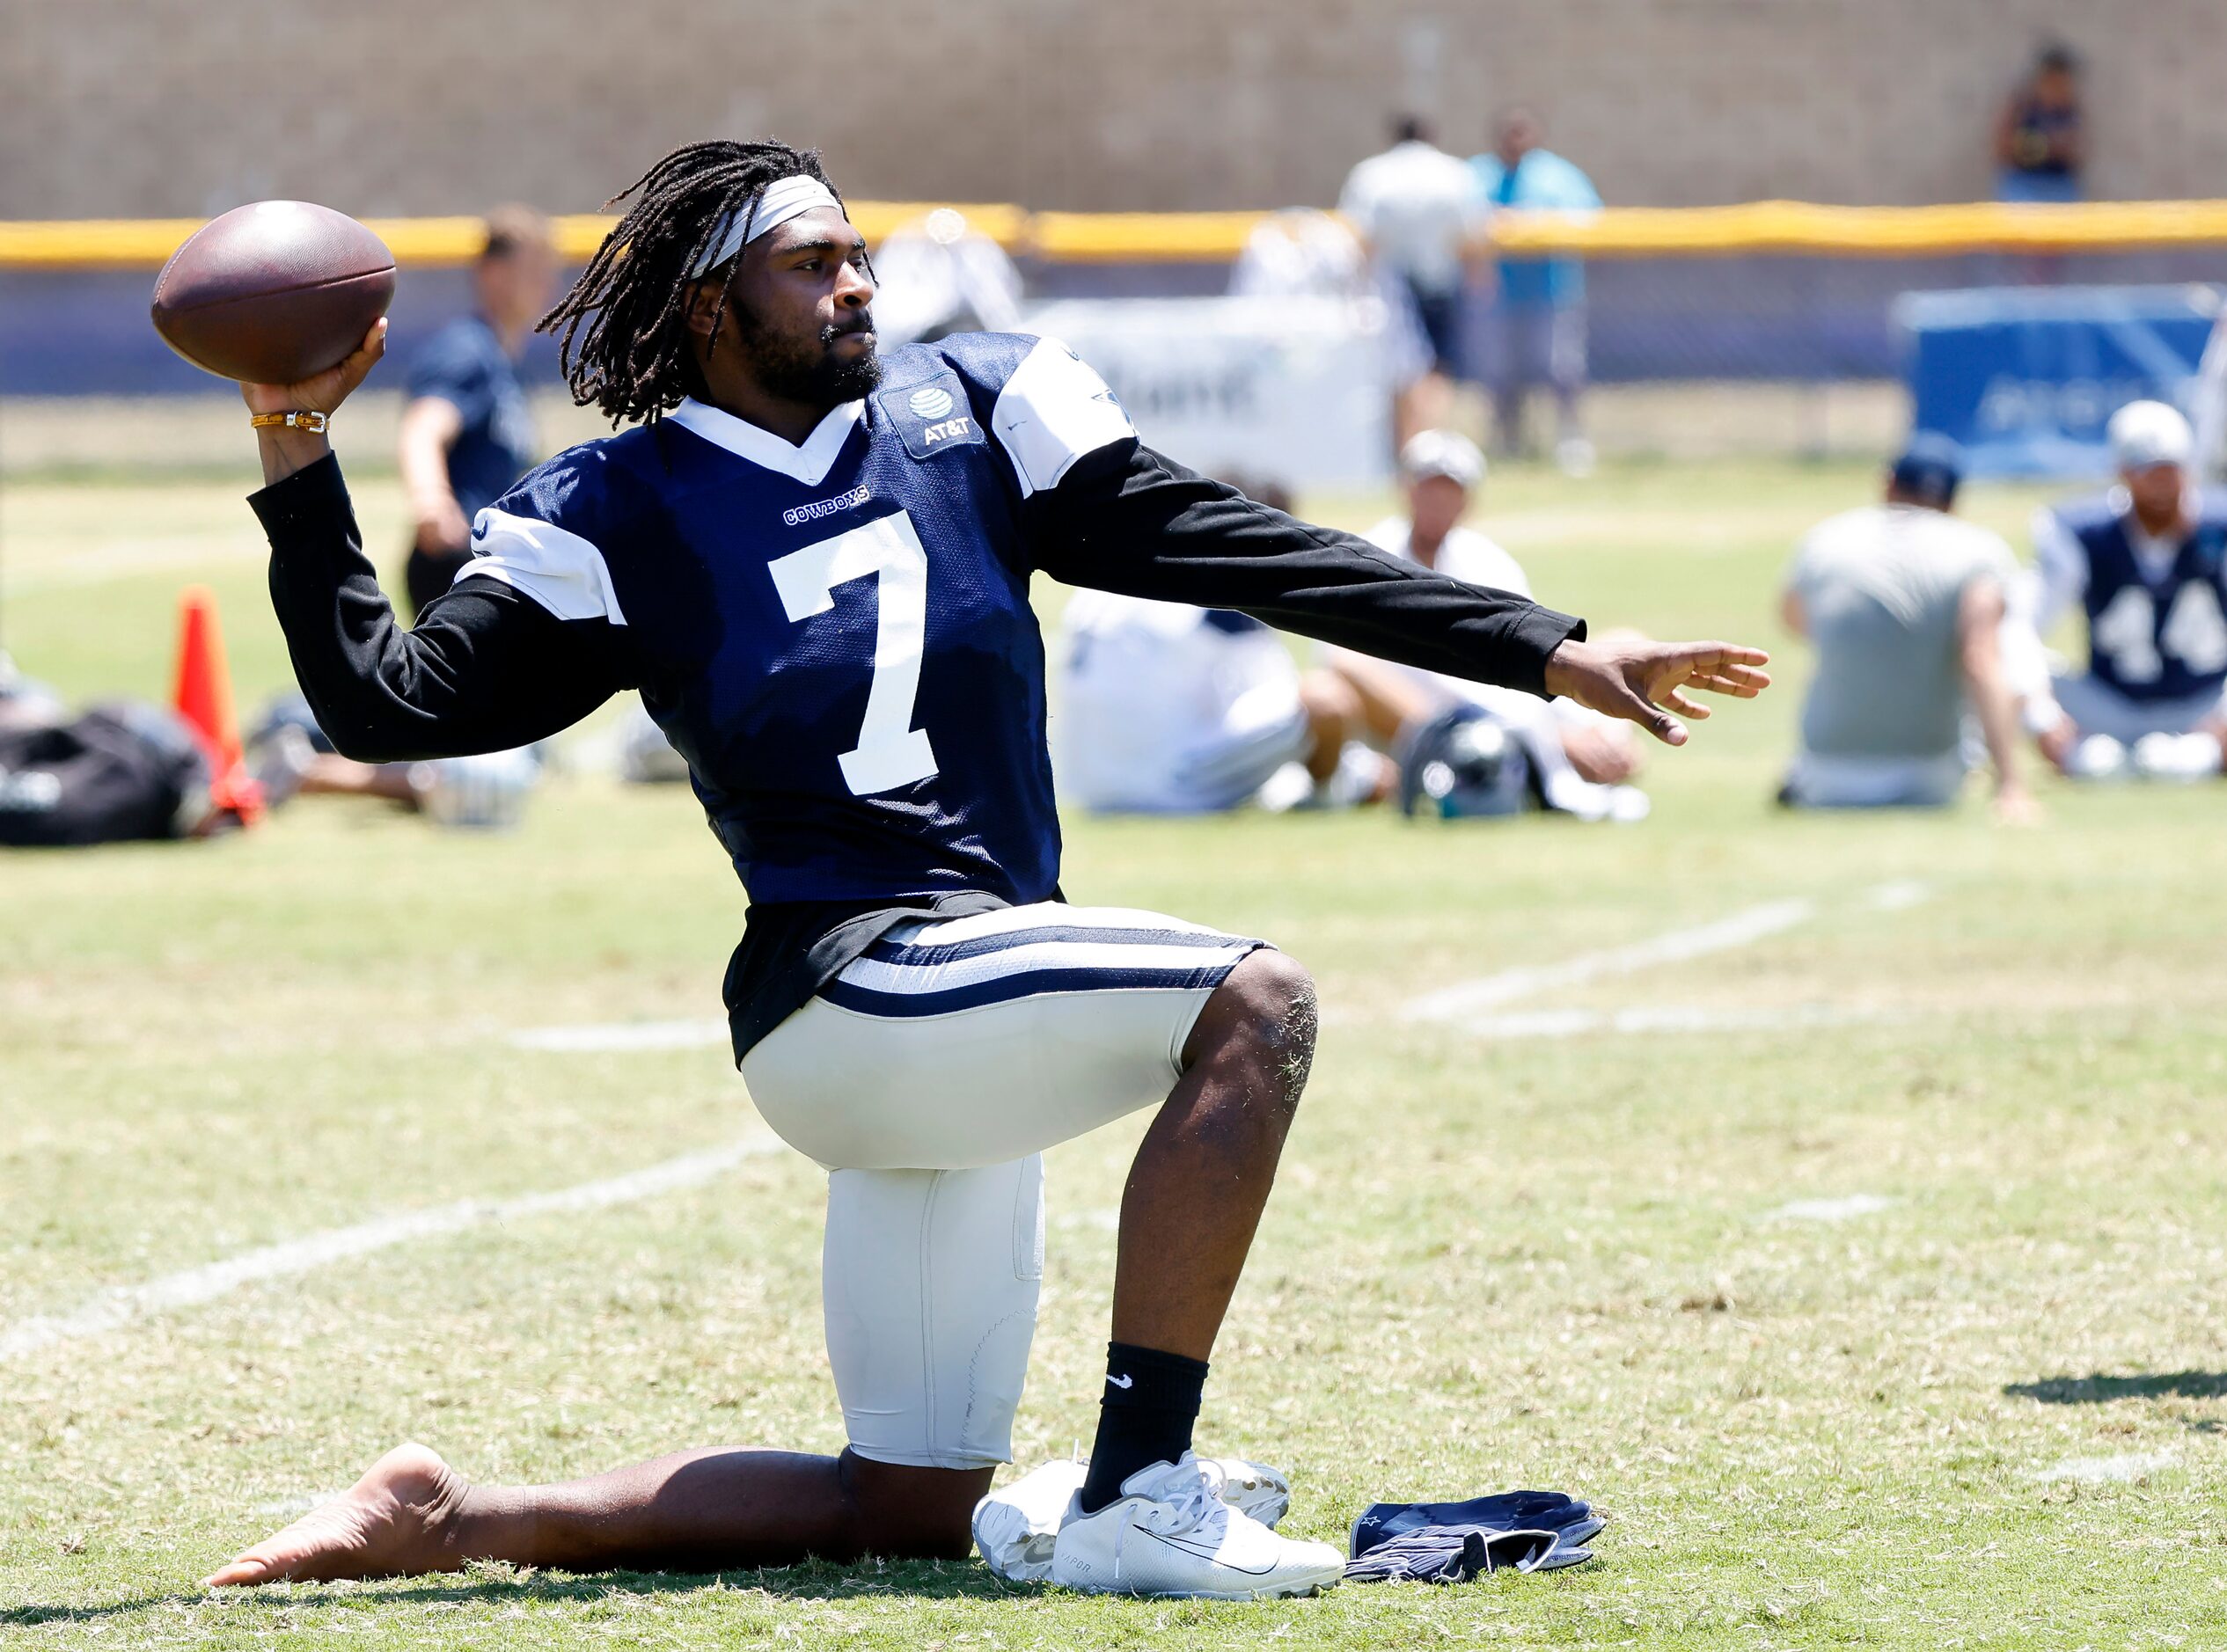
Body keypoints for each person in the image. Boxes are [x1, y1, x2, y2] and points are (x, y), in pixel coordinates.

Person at [207, 138, 1767, 1599]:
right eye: (811, 265)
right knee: (1254, 1000)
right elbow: (389, 706)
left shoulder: (980, 413)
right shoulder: (621, 506)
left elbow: (1237, 541)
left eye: (857, 255)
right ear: (710, 307)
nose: (857, 285)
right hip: (851, 989)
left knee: (907, 1499)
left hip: (968, 1011)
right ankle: (1142, 1485)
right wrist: (296, 442)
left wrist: (1543, 646)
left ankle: (451, 1514)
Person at [1312, 430, 1649, 816]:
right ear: (1405, 489)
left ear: (1467, 500)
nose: (1437, 501)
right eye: (1428, 487)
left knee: (1628, 643)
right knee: (1343, 668)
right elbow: (1341, 662)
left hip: (1513, 708)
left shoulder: (1487, 561)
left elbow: (1529, 654)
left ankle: (1600, 752)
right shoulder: (1370, 554)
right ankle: (1482, 754)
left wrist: (1571, 728)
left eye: (1449, 490)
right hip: (1414, 724)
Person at [1057, 481, 1367, 815]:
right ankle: (1323, 799)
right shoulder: (1219, 580)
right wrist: (1364, 775)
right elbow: (1297, 701)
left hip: (1086, 788)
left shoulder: (1101, 574)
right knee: (1324, 701)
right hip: (1166, 788)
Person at [1776, 435, 2036, 818]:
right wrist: (2012, 786)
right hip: (1931, 778)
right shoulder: (1979, 549)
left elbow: (1795, 621)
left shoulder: (1825, 539)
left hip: (1827, 775)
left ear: (1888, 483)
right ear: (1953, 500)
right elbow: (1981, 660)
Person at [2026, 401, 2227, 780]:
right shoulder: (2082, 533)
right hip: (2110, 702)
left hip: (2206, 699)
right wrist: (2043, 717)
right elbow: (2021, 629)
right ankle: (2080, 754)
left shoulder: (2219, 525)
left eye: (2171, 471)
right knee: (1994, 651)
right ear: (2122, 473)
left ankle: (2204, 752)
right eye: (2149, 473)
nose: (2162, 486)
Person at [398, 206, 559, 617]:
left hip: (488, 562)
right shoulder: (468, 351)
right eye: (531, 268)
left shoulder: (503, 360)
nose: (544, 282)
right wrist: (431, 502)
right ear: (492, 272)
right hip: (455, 561)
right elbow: (422, 429)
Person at [1337, 116, 1489, 446]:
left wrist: (1357, 291)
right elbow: (1472, 235)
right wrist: (1479, 280)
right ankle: (1427, 439)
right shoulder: (1455, 173)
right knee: (1437, 371)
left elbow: (1361, 240)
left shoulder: (1372, 174)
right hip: (1440, 284)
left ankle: (1407, 443)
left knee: (1399, 373)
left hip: (1389, 290)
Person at [1470, 109, 1600, 474]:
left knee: (1563, 371)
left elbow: (1591, 220)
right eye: (1509, 132)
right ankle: (1506, 441)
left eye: (1522, 132)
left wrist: (1536, 226)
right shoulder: (1478, 175)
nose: (1516, 140)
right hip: (1497, 296)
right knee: (1499, 375)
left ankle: (1571, 439)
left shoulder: (1558, 176)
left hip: (1553, 294)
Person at [1994, 44, 2084, 204]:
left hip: (2059, 184)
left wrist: (2045, 146)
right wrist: (2036, 145)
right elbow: (2003, 147)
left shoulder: (2069, 110)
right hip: (2024, 182)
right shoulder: (2022, 106)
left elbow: (2076, 152)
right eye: (2053, 80)